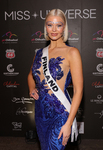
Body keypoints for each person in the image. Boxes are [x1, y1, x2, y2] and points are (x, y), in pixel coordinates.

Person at [27, 9, 83, 150]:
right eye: (50, 24)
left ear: (64, 27)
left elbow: (78, 90)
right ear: (45, 27)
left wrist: (69, 123)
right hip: (40, 113)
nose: (54, 29)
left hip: (60, 114)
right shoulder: (39, 53)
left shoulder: (72, 52)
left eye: (58, 25)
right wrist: (31, 88)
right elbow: (30, 75)